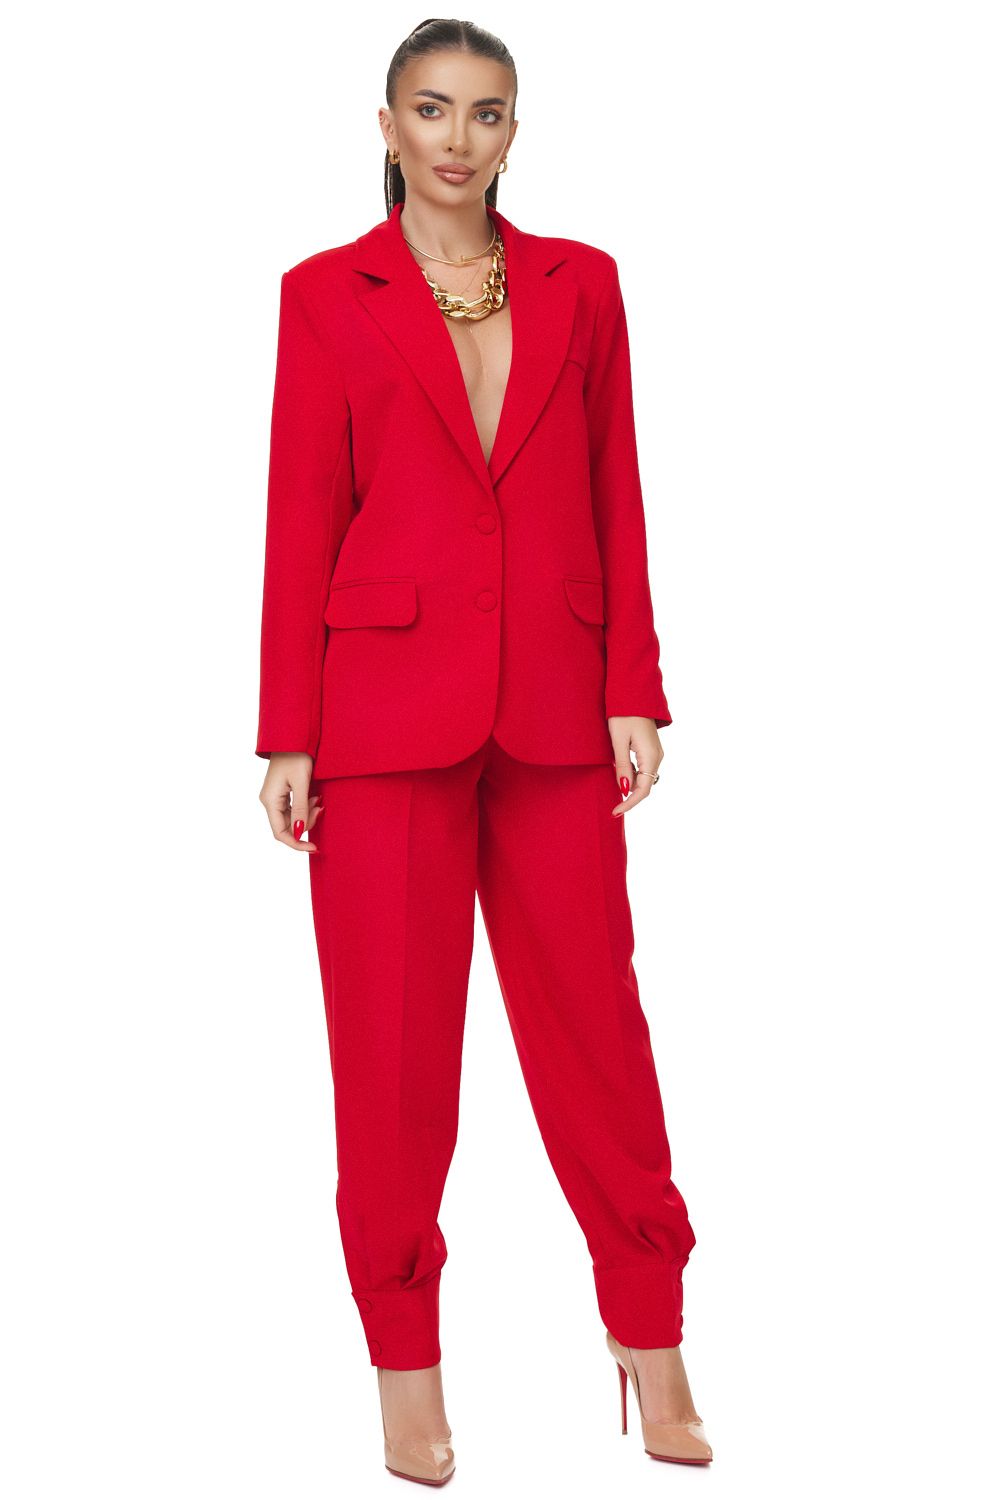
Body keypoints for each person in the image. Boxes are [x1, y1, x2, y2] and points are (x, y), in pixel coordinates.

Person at [255, 17, 713, 1485]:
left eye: (488, 113)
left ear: (518, 132)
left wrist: (633, 685)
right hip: (382, 713)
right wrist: (287, 731)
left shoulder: (587, 282)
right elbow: (302, 510)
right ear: (387, 125)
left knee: (598, 1033)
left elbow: (617, 486)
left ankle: (650, 1334)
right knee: (392, 1054)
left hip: (559, 705)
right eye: (434, 109)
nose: (460, 139)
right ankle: (407, 1368)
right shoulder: (323, 294)